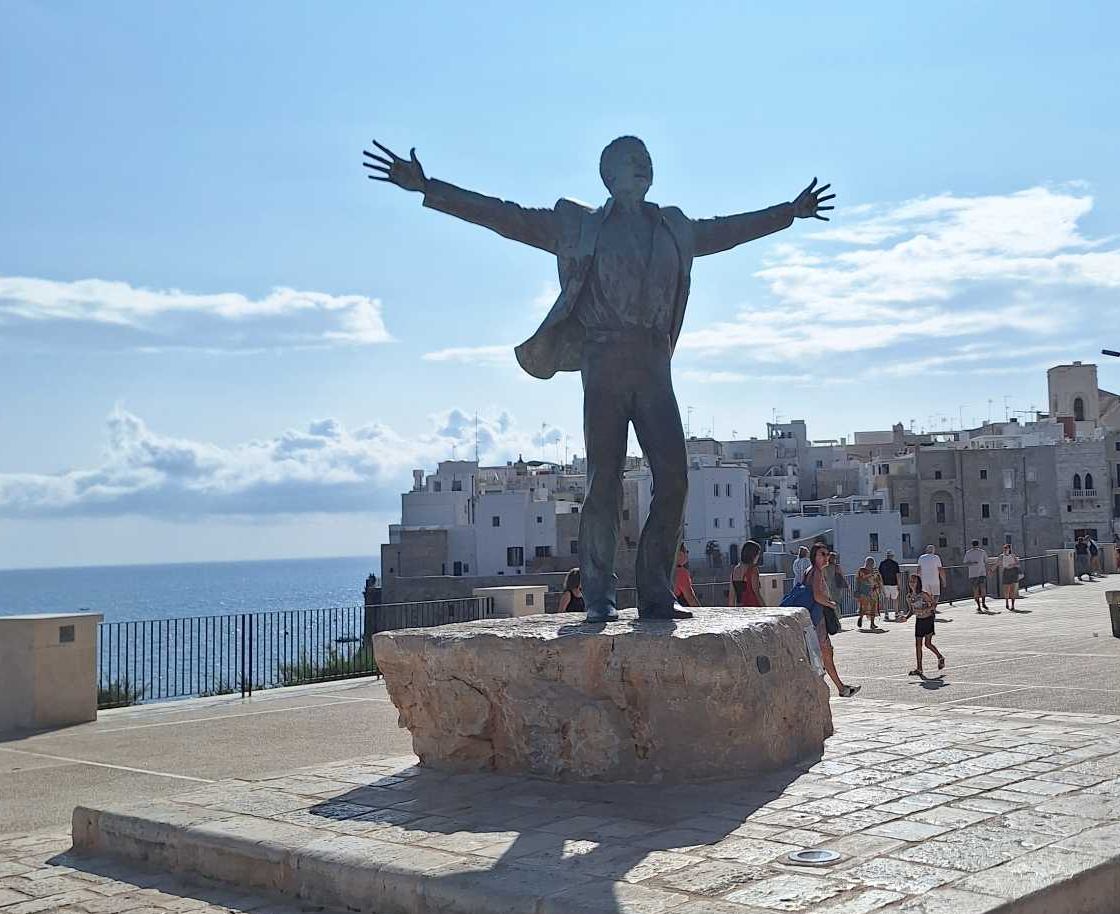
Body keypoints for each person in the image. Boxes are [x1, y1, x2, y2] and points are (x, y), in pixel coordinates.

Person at [364, 137, 834, 623]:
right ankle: (599, 596)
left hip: (654, 362)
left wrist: (789, 212)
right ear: (608, 176)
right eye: (633, 161)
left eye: (647, 160)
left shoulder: (673, 227)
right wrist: (430, 187)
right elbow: (505, 218)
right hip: (604, 359)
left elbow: (729, 230)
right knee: (603, 483)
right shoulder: (579, 225)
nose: (644, 166)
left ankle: (655, 591)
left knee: (674, 478)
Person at [806, 544, 858, 697]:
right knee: (825, 653)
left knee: (825, 653)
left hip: (813, 619)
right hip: (818, 619)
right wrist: (831, 604)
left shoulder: (809, 572)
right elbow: (817, 596)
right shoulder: (816, 572)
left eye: (827, 554)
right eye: (822, 554)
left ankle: (840, 687)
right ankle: (839, 688)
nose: (826, 557)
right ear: (814, 556)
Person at [901, 575, 945, 678]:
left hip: (928, 619)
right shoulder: (909, 597)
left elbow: (934, 605)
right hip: (919, 621)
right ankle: (919, 668)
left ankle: (940, 657)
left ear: (918, 583)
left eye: (914, 581)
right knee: (918, 645)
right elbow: (911, 611)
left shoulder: (923, 594)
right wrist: (906, 618)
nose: (912, 583)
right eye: (910, 581)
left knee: (927, 644)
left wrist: (924, 610)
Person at [728, 540, 763, 607]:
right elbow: (757, 594)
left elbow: (731, 600)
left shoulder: (734, 571)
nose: (758, 557)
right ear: (753, 555)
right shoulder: (753, 570)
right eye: (758, 554)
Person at [854, 557, 883, 631]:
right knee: (863, 607)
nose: (870, 564)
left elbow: (878, 580)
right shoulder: (862, 570)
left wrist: (879, 587)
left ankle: (872, 624)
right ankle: (861, 617)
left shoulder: (875, 571)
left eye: (872, 563)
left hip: (873, 591)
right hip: (863, 592)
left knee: (873, 607)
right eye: (869, 562)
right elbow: (859, 579)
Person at [964, 539, 990, 612]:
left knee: (975, 590)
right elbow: (986, 562)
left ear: (972, 545)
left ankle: (978, 606)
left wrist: (972, 563)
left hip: (972, 574)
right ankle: (984, 603)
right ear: (978, 544)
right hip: (982, 573)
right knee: (983, 588)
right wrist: (988, 570)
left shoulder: (968, 552)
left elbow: (965, 562)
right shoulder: (982, 552)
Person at [878, 550, 902, 622]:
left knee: (886, 599)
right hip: (894, 584)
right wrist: (899, 584)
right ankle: (896, 613)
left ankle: (886, 614)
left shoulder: (882, 564)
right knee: (895, 599)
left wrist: (881, 584)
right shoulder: (895, 564)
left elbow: (880, 575)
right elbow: (897, 575)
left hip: (885, 584)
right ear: (892, 556)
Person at [999, 543, 1021, 611]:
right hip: (1005, 572)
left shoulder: (1013, 555)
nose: (1005, 550)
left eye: (1006, 548)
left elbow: (1017, 564)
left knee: (1012, 590)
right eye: (1004, 548)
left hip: (1013, 573)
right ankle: (1006, 602)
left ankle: (1013, 605)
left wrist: (1012, 565)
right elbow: (997, 563)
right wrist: (991, 569)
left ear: (1009, 549)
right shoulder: (1001, 556)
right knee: (1006, 591)